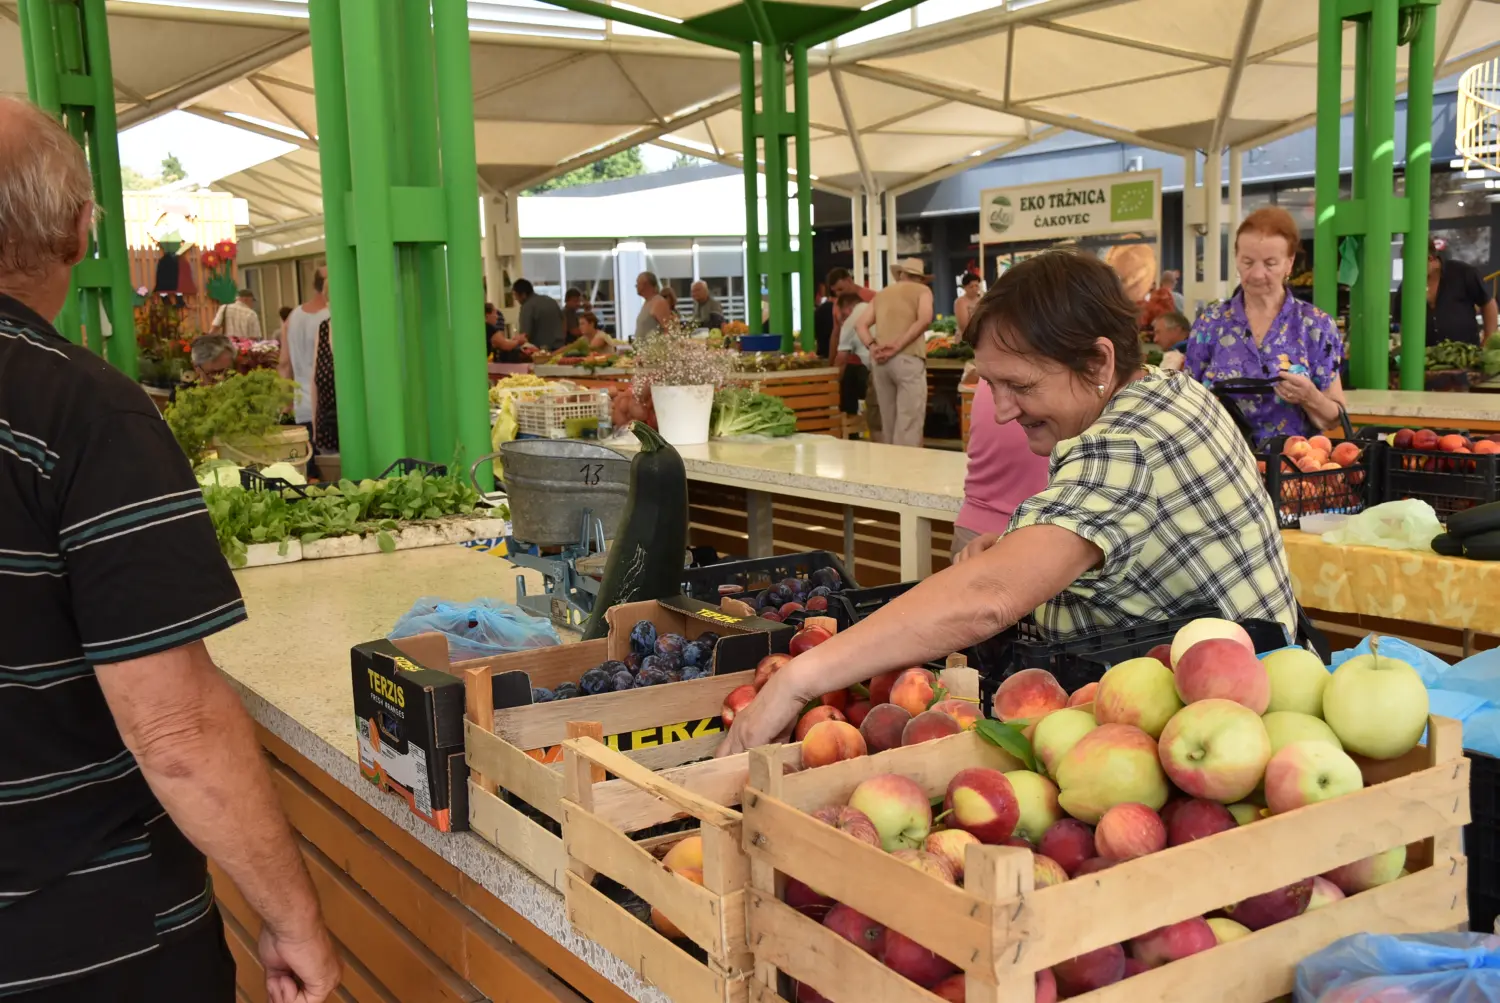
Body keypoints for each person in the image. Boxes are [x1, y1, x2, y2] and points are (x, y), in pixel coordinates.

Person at [0, 96, 340, 1003]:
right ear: (79, 234)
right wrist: (294, 916)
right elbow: (175, 727)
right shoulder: (78, 411)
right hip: (75, 942)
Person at [717, 250, 1299, 754]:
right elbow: (1139, 533)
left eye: (1019, 385)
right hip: (1235, 705)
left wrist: (799, 679)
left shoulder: (1125, 447)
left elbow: (988, 599)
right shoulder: (1170, 392)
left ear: (1098, 362)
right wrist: (1029, 545)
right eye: (991, 383)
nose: (1001, 410)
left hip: (1215, 728)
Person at [1184, 207, 1346, 447]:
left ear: (1289, 263)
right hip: (1221, 470)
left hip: (1292, 471)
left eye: (1270, 263)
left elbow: (1334, 418)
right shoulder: (1210, 323)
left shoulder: (1315, 325)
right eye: (1247, 262)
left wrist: (1309, 396)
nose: (1258, 274)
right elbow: (1186, 403)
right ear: (1236, 258)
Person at [952, 364, 1050, 558]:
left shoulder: (996, 360)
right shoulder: (1053, 369)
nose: (1002, 414)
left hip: (972, 530)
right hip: (1036, 541)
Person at [855, 257, 933, 447]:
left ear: (900, 274)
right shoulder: (923, 291)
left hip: (880, 363)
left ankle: (890, 472)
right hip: (908, 360)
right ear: (921, 278)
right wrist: (898, 346)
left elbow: (860, 325)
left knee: (888, 422)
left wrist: (873, 346)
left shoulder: (882, 294)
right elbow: (925, 319)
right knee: (909, 423)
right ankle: (906, 474)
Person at [1395, 237, 1498, 347]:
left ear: (1431, 259)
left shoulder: (1463, 272)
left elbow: (1488, 304)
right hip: (1428, 359)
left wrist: (1487, 341)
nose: (1410, 269)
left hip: (1467, 356)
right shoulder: (1406, 287)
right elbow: (1402, 322)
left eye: (1413, 264)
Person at [280, 265, 330, 448]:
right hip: (329, 406)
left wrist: (286, 404)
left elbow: (284, 364)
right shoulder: (333, 317)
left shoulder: (293, 316)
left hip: (302, 406)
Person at [833, 290, 880, 437]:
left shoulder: (851, 320)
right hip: (895, 364)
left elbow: (841, 360)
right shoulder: (874, 307)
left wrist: (831, 386)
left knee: (877, 421)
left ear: (846, 308)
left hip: (877, 370)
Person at [512, 278, 565, 352]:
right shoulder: (550, 300)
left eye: (516, 295)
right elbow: (563, 322)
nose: (516, 299)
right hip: (560, 348)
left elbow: (524, 335)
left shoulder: (527, 306)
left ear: (523, 294)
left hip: (540, 352)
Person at [827, 267, 875, 341]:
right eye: (834, 291)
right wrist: (833, 353)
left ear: (849, 280)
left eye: (840, 289)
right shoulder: (837, 303)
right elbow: (836, 333)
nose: (838, 294)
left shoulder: (872, 297)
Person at [635, 271, 673, 339]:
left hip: (654, 348)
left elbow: (668, 330)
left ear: (646, 284)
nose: (636, 286)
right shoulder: (647, 302)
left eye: (638, 283)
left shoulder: (659, 302)